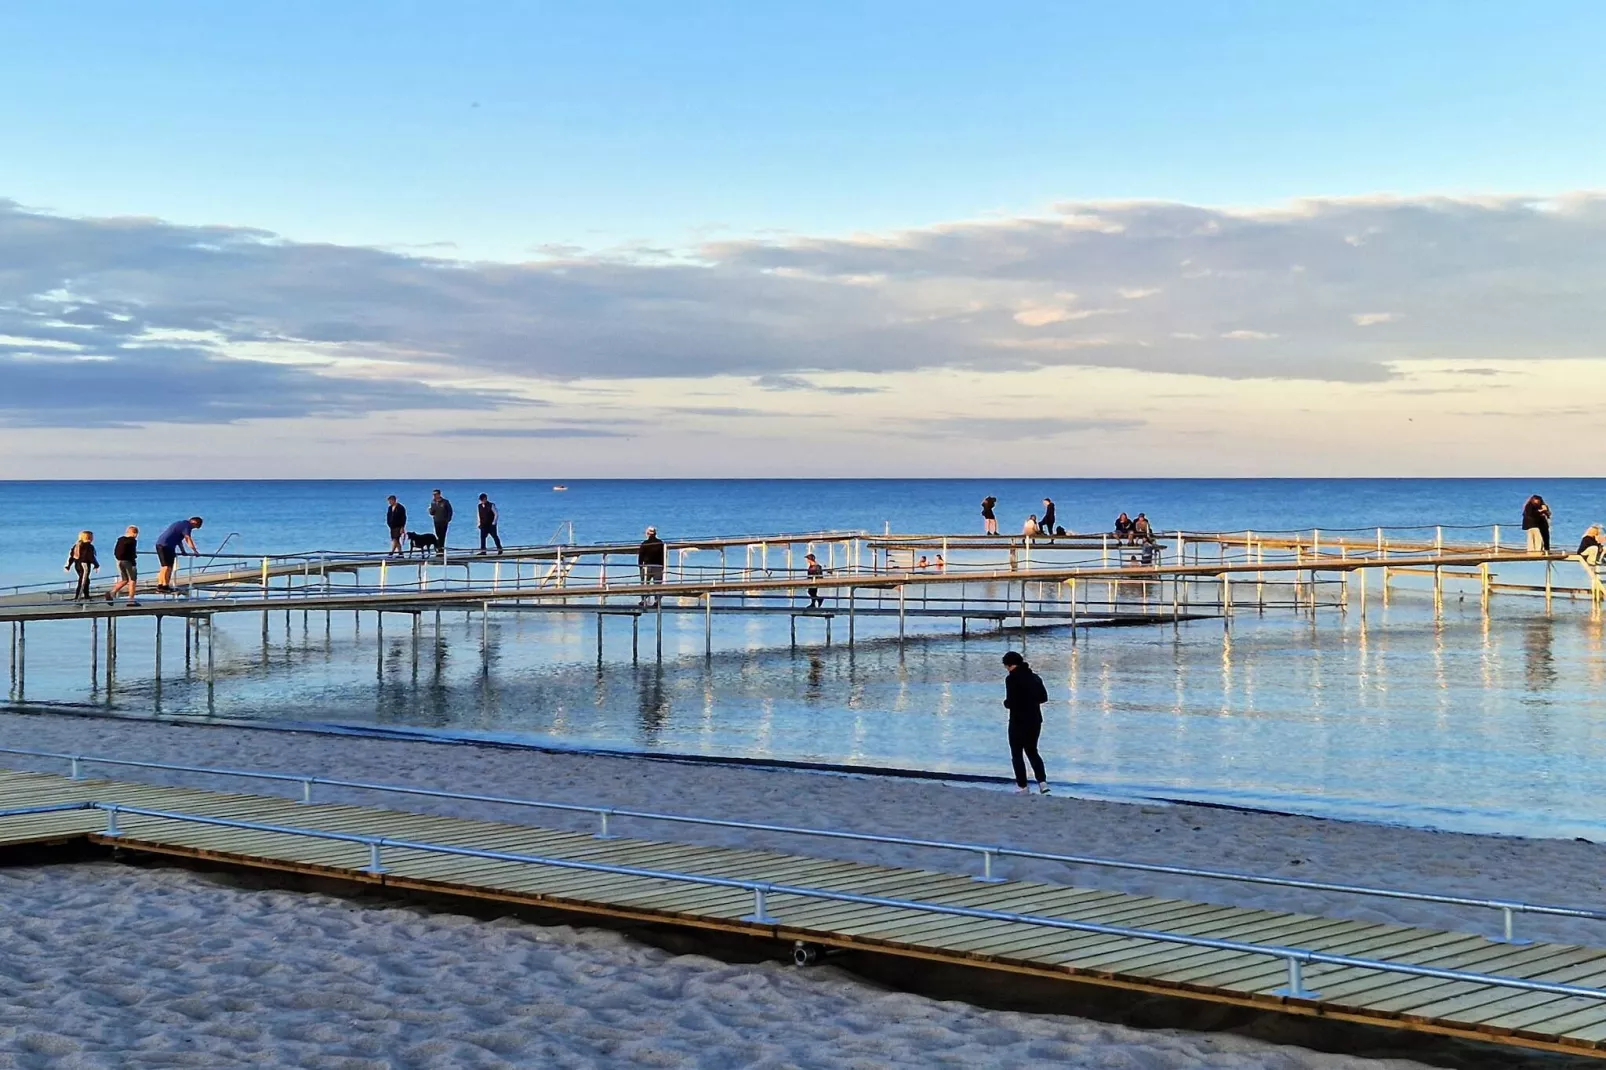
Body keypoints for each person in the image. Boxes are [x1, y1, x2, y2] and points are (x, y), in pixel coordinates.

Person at [1000, 651, 1050, 795]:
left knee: (1017, 753)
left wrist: (1006, 703)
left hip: (1018, 720)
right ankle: (1042, 783)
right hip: (1035, 719)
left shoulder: (1011, 679)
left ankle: (1023, 786)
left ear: (1009, 665)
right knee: (1032, 751)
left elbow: (1011, 702)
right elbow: (1044, 697)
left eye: (1006, 666)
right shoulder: (1035, 678)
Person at [154, 517, 202, 593]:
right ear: (194, 523)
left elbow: (179, 541)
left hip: (162, 544)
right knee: (167, 567)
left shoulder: (180, 524)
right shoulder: (187, 526)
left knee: (165, 566)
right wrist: (195, 551)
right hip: (166, 546)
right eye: (195, 527)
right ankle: (164, 586)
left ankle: (161, 585)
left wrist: (183, 551)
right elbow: (187, 538)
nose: (193, 529)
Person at [108, 525, 140, 605]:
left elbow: (115, 551)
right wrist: (133, 562)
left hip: (119, 561)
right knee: (132, 580)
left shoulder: (120, 540)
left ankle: (112, 592)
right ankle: (131, 600)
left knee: (124, 580)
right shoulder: (132, 541)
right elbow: (132, 553)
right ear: (135, 533)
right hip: (128, 562)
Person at [65, 530, 99, 601]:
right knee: (83, 581)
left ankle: (86, 596)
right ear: (89, 538)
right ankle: (78, 597)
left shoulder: (76, 545)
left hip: (77, 564)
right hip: (84, 565)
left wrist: (68, 565)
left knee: (86, 580)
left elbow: (72, 556)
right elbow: (90, 556)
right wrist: (96, 564)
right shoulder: (88, 546)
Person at [638, 525, 666, 604]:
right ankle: (657, 600)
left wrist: (640, 567)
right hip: (658, 566)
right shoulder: (660, 543)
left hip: (647, 566)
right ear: (655, 533)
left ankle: (644, 600)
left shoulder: (644, 543)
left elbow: (640, 557)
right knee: (657, 584)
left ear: (647, 533)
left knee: (644, 583)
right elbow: (663, 556)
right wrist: (663, 566)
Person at [428, 489, 453, 557]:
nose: (434, 496)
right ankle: (439, 549)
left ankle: (441, 550)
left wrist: (448, 519)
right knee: (438, 535)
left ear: (439, 494)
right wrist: (430, 511)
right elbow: (432, 513)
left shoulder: (445, 502)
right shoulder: (433, 502)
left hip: (444, 521)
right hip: (436, 521)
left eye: (435, 494)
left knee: (442, 535)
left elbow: (450, 511)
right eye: (433, 495)